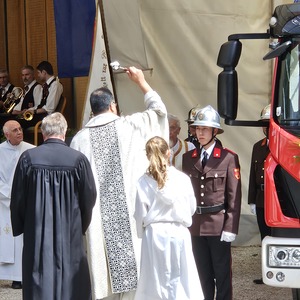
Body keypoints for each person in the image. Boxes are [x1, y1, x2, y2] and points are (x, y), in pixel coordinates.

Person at [70, 66, 168, 300]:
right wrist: (141, 82)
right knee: (134, 279)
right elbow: (159, 112)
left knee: (102, 278)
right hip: (130, 214)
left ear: (93, 111)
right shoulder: (130, 126)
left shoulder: (80, 139)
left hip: (97, 219)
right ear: (113, 105)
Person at [10, 112, 97, 300]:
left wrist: (25, 225)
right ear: (65, 132)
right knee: (71, 277)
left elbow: (18, 197)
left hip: (37, 230)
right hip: (69, 230)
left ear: (43, 134)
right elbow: (88, 197)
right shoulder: (78, 160)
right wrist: (79, 225)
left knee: (38, 274)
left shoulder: (28, 158)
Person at [182, 105, 242, 300]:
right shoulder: (188, 158)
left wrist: (230, 227)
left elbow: (234, 196)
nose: (200, 132)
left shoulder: (228, 158)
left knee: (222, 273)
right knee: (201, 274)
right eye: (198, 128)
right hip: (195, 225)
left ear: (215, 131)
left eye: (205, 128)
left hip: (218, 225)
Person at [134, 136, 203, 300]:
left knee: (154, 278)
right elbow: (191, 207)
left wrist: (141, 233)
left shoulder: (143, 182)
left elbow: (140, 213)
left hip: (154, 234)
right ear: (169, 153)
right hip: (178, 231)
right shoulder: (182, 179)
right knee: (181, 278)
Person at [0, 120, 35, 289]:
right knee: (5, 238)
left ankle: (19, 277)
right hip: (4, 201)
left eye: (20, 129)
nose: (20, 132)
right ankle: (4, 275)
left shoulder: (31, 150)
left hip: (24, 202)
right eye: (15, 130)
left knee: (20, 240)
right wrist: (9, 193)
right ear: (7, 134)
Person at [248, 104, 272, 285]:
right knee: (265, 237)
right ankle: (267, 273)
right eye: (264, 124)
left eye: (269, 123)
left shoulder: (286, 144)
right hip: (262, 198)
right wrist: (252, 201)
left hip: (280, 198)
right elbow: (252, 174)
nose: (267, 127)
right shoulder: (258, 146)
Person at [17, 61, 63, 129]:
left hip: (47, 118)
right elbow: (39, 104)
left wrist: (34, 111)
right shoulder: (45, 85)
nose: (38, 75)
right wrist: (29, 110)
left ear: (44, 72)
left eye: (38, 73)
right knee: (16, 121)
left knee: (18, 123)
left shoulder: (55, 85)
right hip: (41, 115)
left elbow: (50, 108)